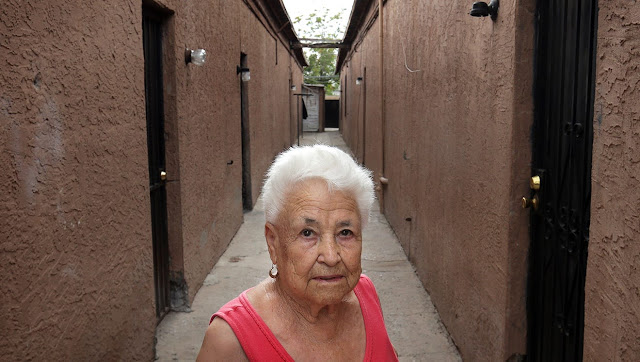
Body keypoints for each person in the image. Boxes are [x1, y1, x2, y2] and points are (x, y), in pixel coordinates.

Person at [197, 145, 398, 361]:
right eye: (307, 233)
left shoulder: (366, 293)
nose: (331, 257)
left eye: (345, 232)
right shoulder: (229, 341)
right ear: (273, 242)